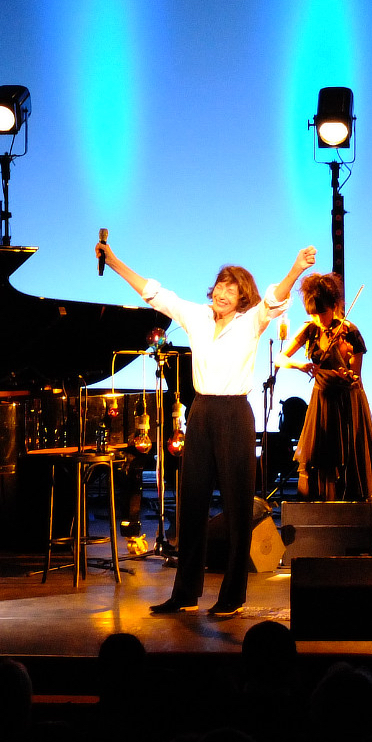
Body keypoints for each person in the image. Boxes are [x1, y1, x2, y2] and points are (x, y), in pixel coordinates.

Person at [96, 239, 317, 617]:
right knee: (191, 505)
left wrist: (296, 268)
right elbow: (155, 293)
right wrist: (114, 261)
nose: (223, 293)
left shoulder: (252, 322)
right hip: (201, 411)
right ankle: (184, 593)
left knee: (236, 509)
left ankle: (232, 596)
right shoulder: (197, 316)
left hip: (234, 414)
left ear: (243, 296)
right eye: (220, 286)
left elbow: (275, 300)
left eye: (232, 289)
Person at [274, 273, 372, 509]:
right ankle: (321, 511)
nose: (318, 319)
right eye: (313, 314)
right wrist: (300, 364)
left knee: (348, 459)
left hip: (347, 402)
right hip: (321, 402)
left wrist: (347, 375)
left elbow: (356, 377)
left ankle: (350, 515)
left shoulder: (350, 332)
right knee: (320, 458)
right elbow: (280, 359)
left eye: (322, 313)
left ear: (335, 306)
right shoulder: (311, 329)